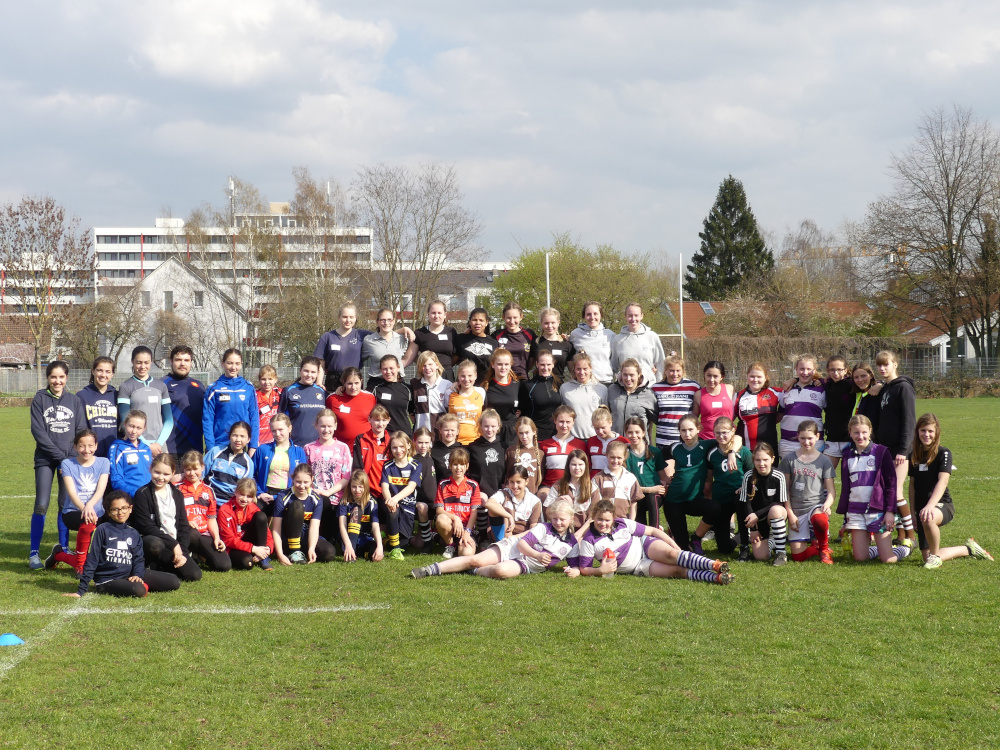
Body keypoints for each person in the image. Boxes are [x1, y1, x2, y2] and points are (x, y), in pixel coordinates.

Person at [571, 500, 733, 584]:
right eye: (599, 519)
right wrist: (601, 570)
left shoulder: (622, 523)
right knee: (677, 571)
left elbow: (653, 531)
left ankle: (715, 565)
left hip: (644, 546)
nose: (603, 523)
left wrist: (675, 546)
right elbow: (584, 568)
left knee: (672, 555)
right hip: (638, 566)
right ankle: (715, 578)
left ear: (613, 518)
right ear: (594, 518)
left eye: (606, 520)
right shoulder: (589, 539)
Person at [411, 497, 574, 580]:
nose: (558, 523)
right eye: (554, 519)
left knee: (500, 571)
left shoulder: (572, 542)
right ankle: (430, 569)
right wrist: (538, 555)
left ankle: (473, 572)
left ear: (571, 519)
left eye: (562, 519)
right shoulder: (543, 527)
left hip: (525, 564)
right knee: (473, 559)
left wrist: (574, 570)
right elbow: (523, 544)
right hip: (514, 547)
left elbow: (578, 564)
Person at [909, 413, 994, 569]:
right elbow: (912, 486)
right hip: (921, 510)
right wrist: (912, 512)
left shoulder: (944, 453)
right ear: (917, 432)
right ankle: (968, 549)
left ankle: (935, 557)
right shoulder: (914, 456)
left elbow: (943, 481)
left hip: (941, 504)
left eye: (930, 431)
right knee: (925, 557)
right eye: (923, 430)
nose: (926, 434)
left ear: (936, 433)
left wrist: (930, 505)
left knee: (929, 518)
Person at [64, 491, 181, 598]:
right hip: (107, 579)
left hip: (128, 573)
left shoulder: (133, 533)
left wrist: (137, 575)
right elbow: (92, 559)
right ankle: (114, 586)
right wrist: (81, 590)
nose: (120, 512)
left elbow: (138, 559)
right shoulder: (102, 529)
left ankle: (130, 583)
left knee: (174, 581)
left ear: (130, 509)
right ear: (108, 512)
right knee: (139, 590)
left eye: (124, 508)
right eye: (115, 509)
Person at [29, 360, 87, 569]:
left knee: (65, 505)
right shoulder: (39, 399)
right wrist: (60, 457)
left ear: (66, 378)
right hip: (45, 459)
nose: (57, 381)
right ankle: (33, 553)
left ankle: (63, 548)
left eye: (61, 377)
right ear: (48, 378)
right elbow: (39, 433)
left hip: (69, 460)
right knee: (41, 504)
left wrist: (70, 457)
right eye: (53, 377)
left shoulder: (74, 400)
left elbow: (80, 430)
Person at [838, 414, 912, 565]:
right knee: (860, 558)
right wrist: (846, 518)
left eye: (864, 432)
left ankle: (905, 547)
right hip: (856, 512)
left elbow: (891, 484)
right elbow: (846, 488)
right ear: (850, 432)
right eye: (856, 432)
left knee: (888, 560)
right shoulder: (847, 456)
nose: (860, 436)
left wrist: (890, 511)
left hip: (877, 511)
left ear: (870, 431)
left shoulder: (881, 452)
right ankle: (878, 548)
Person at [44, 430, 110, 575]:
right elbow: (72, 492)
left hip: (97, 511)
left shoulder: (104, 462)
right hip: (72, 512)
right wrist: (84, 508)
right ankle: (80, 566)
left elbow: (100, 490)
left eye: (90, 446)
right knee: (87, 524)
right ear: (75, 447)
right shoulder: (67, 464)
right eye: (82, 446)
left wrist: (89, 506)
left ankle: (59, 555)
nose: (86, 450)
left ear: (96, 446)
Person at [129, 454, 203, 581]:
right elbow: (146, 526)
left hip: (174, 545)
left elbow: (183, 524)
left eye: (166, 474)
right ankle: (148, 564)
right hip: (156, 543)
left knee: (194, 575)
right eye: (157, 472)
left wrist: (183, 552)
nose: (161, 478)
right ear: (150, 469)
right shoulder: (142, 494)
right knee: (154, 544)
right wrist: (174, 544)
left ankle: (160, 566)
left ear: (173, 473)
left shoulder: (177, 494)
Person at [663, 414, 726, 555]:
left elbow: (734, 439)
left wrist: (733, 453)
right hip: (673, 502)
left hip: (693, 501)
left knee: (715, 507)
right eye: (683, 430)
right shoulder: (675, 448)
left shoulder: (707, 445)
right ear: (679, 431)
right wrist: (663, 478)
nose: (687, 434)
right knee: (683, 550)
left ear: (698, 429)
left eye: (691, 429)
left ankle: (696, 538)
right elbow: (655, 457)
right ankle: (682, 542)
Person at [874, 350, 917, 547]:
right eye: (879, 365)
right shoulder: (885, 388)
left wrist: (903, 449)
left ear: (895, 365)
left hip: (899, 451)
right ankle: (900, 536)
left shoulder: (903, 388)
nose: (882, 369)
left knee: (897, 493)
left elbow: (909, 421)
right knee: (889, 493)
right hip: (884, 449)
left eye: (886, 365)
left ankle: (911, 536)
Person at [778, 421, 835, 565]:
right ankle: (815, 547)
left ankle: (824, 549)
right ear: (797, 437)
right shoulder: (789, 459)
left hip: (815, 507)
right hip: (797, 511)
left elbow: (831, 490)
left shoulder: (824, 461)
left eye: (810, 438)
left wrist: (827, 504)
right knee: (798, 557)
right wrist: (790, 514)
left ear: (817, 436)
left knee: (820, 519)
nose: (806, 442)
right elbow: (784, 490)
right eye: (803, 438)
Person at [304, 409, 353, 549]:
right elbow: (304, 475)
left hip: (338, 499)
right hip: (315, 498)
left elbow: (346, 477)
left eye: (329, 426)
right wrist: (316, 492)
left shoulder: (343, 448)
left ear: (335, 426)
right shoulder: (309, 448)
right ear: (316, 426)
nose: (326, 430)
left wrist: (329, 492)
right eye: (323, 426)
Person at [271, 464, 337, 565]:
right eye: (298, 482)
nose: (302, 486)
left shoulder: (317, 499)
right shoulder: (283, 497)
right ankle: (294, 552)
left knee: (329, 553)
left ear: (312, 479)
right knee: (297, 506)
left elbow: (314, 527)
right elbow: (276, 529)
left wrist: (311, 548)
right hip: (288, 539)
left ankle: (303, 552)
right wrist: (279, 554)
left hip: (305, 536)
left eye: (306, 482)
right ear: (292, 479)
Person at [176, 451, 231, 572]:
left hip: (204, 534)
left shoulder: (209, 491)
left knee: (224, 565)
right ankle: (192, 554)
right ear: (183, 469)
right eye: (188, 469)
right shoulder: (177, 489)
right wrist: (186, 521)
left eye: (195, 468)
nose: (192, 473)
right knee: (193, 534)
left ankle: (199, 555)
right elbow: (171, 516)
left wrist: (216, 537)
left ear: (202, 467)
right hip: (187, 534)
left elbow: (211, 519)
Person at [704, 417, 751, 558]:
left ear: (733, 431)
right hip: (721, 498)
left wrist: (745, 488)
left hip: (738, 495)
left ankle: (745, 545)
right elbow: (709, 477)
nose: (721, 436)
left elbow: (752, 474)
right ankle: (738, 539)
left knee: (740, 500)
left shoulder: (743, 451)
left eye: (725, 432)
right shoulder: (712, 453)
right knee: (724, 549)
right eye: (717, 433)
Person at [739, 443, 790, 566]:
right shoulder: (748, 476)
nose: (761, 464)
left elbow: (780, 501)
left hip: (772, 515)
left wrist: (757, 514)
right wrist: (753, 529)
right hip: (756, 520)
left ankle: (781, 553)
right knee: (761, 556)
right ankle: (772, 541)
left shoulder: (779, 476)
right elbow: (746, 503)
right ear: (753, 460)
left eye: (765, 460)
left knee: (776, 510)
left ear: (772, 459)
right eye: (758, 460)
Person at [202, 348, 260, 455]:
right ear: (223, 364)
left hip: (242, 446)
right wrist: (210, 447)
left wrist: (253, 445)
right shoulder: (214, 389)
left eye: (237, 364)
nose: (233, 367)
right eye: (229, 363)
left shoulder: (248, 387)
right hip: (219, 445)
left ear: (241, 364)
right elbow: (207, 420)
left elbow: (254, 417)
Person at [117, 345, 172, 456]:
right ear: (132, 362)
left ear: (151, 362)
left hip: (159, 448)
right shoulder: (125, 386)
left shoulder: (161, 386)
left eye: (146, 362)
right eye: (139, 362)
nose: (142, 366)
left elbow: (169, 421)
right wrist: (147, 445)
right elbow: (125, 422)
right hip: (137, 445)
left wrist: (158, 444)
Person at [253, 413, 308, 516]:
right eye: (274, 430)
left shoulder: (299, 452)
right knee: (257, 516)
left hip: (288, 495)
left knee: (296, 511)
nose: (277, 434)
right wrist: (259, 493)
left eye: (281, 430)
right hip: (265, 494)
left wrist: (277, 497)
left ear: (289, 428)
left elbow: (304, 479)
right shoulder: (263, 449)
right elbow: (250, 474)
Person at [379, 431, 422, 560]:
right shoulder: (387, 466)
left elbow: (411, 487)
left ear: (409, 445)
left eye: (402, 446)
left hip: (407, 505)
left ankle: (387, 539)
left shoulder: (415, 465)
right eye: (394, 447)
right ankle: (395, 549)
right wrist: (389, 500)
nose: (398, 450)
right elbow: (384, 487)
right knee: (393, 510)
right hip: (390, 504)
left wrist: (395, 499)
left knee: (405, 543)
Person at [313, 301, 374, 392]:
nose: (348, 320)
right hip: (333, 381)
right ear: (339, 317)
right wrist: (319, 383)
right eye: (345, 317)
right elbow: (320, 365)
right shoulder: (327, 337)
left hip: (354, 381)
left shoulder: (361, 335)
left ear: (355, 318)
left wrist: (402, 330)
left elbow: (383, 335)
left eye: (351, 317)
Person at [217, 477, 275, 571]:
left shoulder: (253, 508)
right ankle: (256, 553)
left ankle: (263, 557)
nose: (244, 499)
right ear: (235, 492)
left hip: (249, 542)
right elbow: (228, 540)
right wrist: (253, 549)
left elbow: (267, 532)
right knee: (247, 563)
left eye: (249, 496)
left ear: (253, 497)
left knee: (261, 516)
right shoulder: (224, 510)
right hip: (232, 547)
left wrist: (268, 548)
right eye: (242, 494)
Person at [434, 447, 482, 559]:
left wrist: (467, 532)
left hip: (466, 528)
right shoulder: (443, 484)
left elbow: (474, 512)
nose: (458, 468)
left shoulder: (473, 485)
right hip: (450, 525)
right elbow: (439, 510)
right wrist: (455, 518)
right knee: (441, 518)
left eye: (462, 464)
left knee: (466, 554)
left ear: (467, 466)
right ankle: (450, 544)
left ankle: (462, 543)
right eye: (455, 464)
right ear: (450, 466)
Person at [624, 417, 668, 530]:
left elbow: (663, 477)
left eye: (637, 432)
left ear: (643, 433)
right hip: (637, 495)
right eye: (630, 432)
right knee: (638, 503)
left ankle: (655, 532)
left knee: (651, 498)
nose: (634, 435)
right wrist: (649, 489)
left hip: (655, 495)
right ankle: (642, 536)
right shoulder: (625, 454)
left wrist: (666, 486)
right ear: (626, 434)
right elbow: (628, 486)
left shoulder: (654, 452)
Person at [162, 345, 205, 458]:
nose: (182, 363)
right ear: (171, 361)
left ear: (191, 362)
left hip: (195, 451)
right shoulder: (161, 384)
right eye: (178, 360)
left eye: (186, 360)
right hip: (170, 450)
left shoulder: (199, 386)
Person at [778, 354, 826, 457]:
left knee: (812, 473)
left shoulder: (822, 390)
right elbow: (779, 414)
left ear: (814, 370)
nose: (805, 372)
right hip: (788, 443)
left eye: (809, 369)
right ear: (796, 369)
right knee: (787, 473)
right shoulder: (786, 390)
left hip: (813, 443)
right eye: (802, 369)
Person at [651, 355, 700, 451]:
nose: (675, 374)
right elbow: (653, 414)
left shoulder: (693, 386)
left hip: (686, 439)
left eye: (678, 370)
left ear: (683, 371)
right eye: (671, 370)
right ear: (665, 371)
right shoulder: (656, 388)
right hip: (663, 440)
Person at [538, 406, 586, 502]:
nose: (564, 425)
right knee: (543, 495)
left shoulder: (581, 444)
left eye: (568, 422)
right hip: (550, 486)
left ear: (573, 422)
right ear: (555, 421)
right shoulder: (545, 444)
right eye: (561, 421)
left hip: (573, 486)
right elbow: (540, 470)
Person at [482, 467, 542, 542]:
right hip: (503, 536)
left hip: (523, 539)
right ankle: (501, 543)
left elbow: (533, 529)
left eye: (518, 482)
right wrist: (508, 516)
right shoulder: (503, 493)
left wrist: (514, 538)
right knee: (496, 508)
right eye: (512, 482)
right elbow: (489, 504)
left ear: (526, 481)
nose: (515, 486)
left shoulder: (534, 501)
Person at [610, 303, 664, 386]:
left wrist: (659, 385)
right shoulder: (618, 340)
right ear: (625, 316)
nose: (633, 319)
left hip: (648, 388)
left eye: (636, 315)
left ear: (641, 316)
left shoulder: (652, 336)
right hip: (625, 389)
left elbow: (660, 364)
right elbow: (614, 366)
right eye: (630, 315)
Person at [279, 356, 328, 447]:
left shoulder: (322, 392)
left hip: (319, 446)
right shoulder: (289, 391)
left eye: (313, 372)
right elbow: (280, 419)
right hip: (295, 445)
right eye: (306, 371)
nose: (309, 375)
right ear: (300, 370)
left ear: (317, 374)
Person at [559, 352, 608, 440]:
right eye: (578, 369)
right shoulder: (565, 388)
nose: (582, 372)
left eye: (585, 369)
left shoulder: (601, 389)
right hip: (573, 438)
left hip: (596, 438)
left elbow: (606, 416)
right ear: (574, 369)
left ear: (590, 368)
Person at [203, 421, 255, 504]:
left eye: (242, 436)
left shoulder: (248, 464)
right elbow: (200, 473)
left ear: (248, 439)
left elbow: (245, 490)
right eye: (235, 435)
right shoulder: (215, 451)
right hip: (207, 499)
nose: (238, 440)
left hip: (229, 505)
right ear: (229, 436)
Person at [734, 362, 782, 452]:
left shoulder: (776, 393)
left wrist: (794, 380)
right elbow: (730, 420)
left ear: (765, 378)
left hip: (769, 448)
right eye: (752, 376)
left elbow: (793, 389)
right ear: (747, 377)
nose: (755, 379)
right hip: (745, 449)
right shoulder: (738, 396)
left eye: (759, 377)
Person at [76, 356, 118, 457]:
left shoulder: (117, 396)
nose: (103, 375)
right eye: (99, 370)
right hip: (89, 453)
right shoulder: (82, 396)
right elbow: (78, 427)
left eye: (108, 371)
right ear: (93, 371)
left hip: (113, 452)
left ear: (112, 374)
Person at [591, 441, 643, 520]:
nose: (615, 461)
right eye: (612, 457)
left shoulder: (630, 478)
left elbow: (633, 503)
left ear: (624, 457)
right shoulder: (598, 478)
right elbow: (594, 503)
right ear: (607, 455)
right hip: (603, 521)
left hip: (623, 520)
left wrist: (631, 523)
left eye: (619, 458)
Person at [339, 470, 384, 562]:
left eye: (360, 487)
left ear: (366, 487)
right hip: (348, 539)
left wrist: (380, 547)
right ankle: (351, 552)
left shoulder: (371, 502)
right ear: (350, 486)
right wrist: (348, 545)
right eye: (354, 487)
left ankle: (359, 553)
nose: (357, 490)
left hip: (365, 538)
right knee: (357, 511)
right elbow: (342, 526)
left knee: (374, 554)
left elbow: (375, 526)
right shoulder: (344, 501)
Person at [607, 358, 656, 440]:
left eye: (631, 375)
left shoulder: (648, 394)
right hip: (616, 443)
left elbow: (654, 420)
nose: (628, 379)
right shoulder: (612, 390)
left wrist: (649, 437)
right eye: (625, 375)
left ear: (639, 374)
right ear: (621, 374)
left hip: (638, 443)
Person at [568, 301, 616, 385]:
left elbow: (615, 360)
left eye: (595, 314)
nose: (592, 317)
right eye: (588, 314)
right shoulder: (575, 334)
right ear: (584, 316)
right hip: (584, 383)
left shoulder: (610, 335)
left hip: (605, 382)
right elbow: (569, 355)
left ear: (601, 315)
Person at [325, 367, 376, 446]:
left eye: (356, 383)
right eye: (349, 383)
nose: (353, 387)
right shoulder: (332, 399)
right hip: (341, 449)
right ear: (344, 382)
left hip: (365, 447)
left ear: (361, 382)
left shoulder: (370, 398)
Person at [405, 299, 458, 375]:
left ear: (445, 314)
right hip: (427, 375)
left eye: (439, 313)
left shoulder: (451, 332)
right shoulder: (419, 333)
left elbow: (457, 355)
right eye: (433, 313)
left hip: (447, 375)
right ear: (428, 314)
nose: (436, 316)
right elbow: (409, 357)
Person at [108, 410, 153, 498]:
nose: (134, 431)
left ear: (144, 428)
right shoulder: (117, 448)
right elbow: (116, 480)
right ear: (125, 424)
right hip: (132, 497)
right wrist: (137, 494)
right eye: (131, 426)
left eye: (138, 428)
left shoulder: (146, 448)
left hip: (150, 496)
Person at [519, 349, 562, 440]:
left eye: (548, 364)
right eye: (542, 364)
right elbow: (522, 412)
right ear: (537, 364)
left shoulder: (559, 383)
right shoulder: (528, 386)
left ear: (553, 364)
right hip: (536, 435)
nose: (545, 368)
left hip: (556, 434)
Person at [821, 355, 854, 471]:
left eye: (839, 369)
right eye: (832, 370)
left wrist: (880, 385)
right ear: (827, 371)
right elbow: (811, 377)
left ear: (845, 370)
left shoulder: (852, 385)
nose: (836, 373)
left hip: (850, 439)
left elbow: (870, 382)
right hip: (832, 439)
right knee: (826, 475)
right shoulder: (826, 385)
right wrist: (793, 379)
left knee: (849, 478)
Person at [362, 308, 415, 380]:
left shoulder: (403, 339)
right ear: (377, 322)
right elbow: (359, 360)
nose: (386, 323)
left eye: (389, 320)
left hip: (397, 382)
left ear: (394, 321)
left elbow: (410, 357)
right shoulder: (368, 340)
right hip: (377, 382)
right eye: (382, 320)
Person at [482, 348, 520, 445]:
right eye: (499, 364)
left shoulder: (518, 385)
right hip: (491, 431)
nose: (503, 367)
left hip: (512, 432)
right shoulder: (485, 386)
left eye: (506, 364)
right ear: (493, 364)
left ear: (511, 364)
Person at [367, 354, 413, 435]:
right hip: (382, 435)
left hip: (403, 434)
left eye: (391, 368)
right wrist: (342, 388)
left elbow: (413, 412)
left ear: (398, 367)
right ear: (380, 370)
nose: (388, 372)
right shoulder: (375, 388)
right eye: (385, 369)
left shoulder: (408, 389)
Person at [547, 449, 592, 528]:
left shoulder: (592, 488)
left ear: (586, 466)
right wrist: (557, 502)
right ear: (568, 466)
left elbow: (593, 518)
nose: (577, 468)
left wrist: (579, 535)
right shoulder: (558, 486)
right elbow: (547, 513)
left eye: (580, 464)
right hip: (561, 529)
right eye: (573, 464)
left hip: (584, 531)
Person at [410, 426, 439, 551]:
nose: (423, 446)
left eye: (426, 443)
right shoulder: (412, 460)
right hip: (420, 503)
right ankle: (426, 542)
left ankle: (432, 536)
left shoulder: (431, 458)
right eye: (420, 442)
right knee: (419, 544)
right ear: (414, 442)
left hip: (433, 501)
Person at [491, 302, 537, 379]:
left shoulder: (529, 334)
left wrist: (561, 337)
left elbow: (541, 346)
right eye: (508, 318)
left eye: (515, 317)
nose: (512, 321)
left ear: (521, 317)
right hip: (502, 379)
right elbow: (483, 340)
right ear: (503, 317)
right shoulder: (497, 335)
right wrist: (469, 333)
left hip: (522, 378)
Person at [353, 405, 392, 493]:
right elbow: (357, 466)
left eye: (384, 420)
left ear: (388, 420)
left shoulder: (392, 441)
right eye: (377, 420)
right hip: (367, 489)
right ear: (369, 419)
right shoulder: (361, 439)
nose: (380, 424)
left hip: (388, 490)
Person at [468, 409, 506, 500]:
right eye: (486, 426)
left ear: (498, 426)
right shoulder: (472, 448)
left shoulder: (504, 447)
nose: (489, 429)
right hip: (479, 494)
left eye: (493, 426)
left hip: (500, 494)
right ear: (480, 426)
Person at [410, 351, 452, 432]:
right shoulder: (415, 384)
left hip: (440, 433)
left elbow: (450, 410)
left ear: (437, 365)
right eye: (424, 365)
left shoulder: (447, 384)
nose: (427, 368)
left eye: (430, 364)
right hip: (421, 433)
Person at [693, 361, 735, 440]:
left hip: (727, 438)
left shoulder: (730, 389)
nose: (711, 380)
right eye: (708, 375)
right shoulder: (698, 395)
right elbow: (694, 419)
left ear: (721, 377)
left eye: (715, 376)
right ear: (704, 375)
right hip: (706, 438)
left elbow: (736, 412)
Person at [584, 405, 629, 478]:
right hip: (594, 482)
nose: (600, 431)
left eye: (603, 427)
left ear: (610, 423)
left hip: (615, 481)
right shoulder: (590, 441)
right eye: (596, 428)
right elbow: (588, 466)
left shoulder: (623, 441)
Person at [453, 307, 497, 382]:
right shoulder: (460, 339)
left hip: (486, 386)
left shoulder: (494, 342)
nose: (478, 323)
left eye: (481, 320)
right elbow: (451, 362)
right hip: (465, 385)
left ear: (486, 322)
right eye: (474, 320)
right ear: (470, 321)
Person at [448, 359, 486, 445]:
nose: (466, 379)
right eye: (463, 376)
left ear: (475, 376)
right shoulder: (450, 394)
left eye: (470, 376)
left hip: (476, 441)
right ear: (458, 376)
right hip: (456, 442)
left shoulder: (481, 393)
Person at [506, 417, 544, 496]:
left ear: (534, 432)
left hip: (532, 495)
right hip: (513, 494)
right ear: (517, 433)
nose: (524, 436)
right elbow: (506, 475)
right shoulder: (511, 451)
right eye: (521, 433)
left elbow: (541, 477)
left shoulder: (540, 454)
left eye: (527, 432)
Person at [534, 307, 576, 379]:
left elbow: (573, 371)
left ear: (558, 323)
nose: (550, 326)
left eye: (553, 323)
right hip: (539, 384)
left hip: (559, 385)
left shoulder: (567, 345)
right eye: (546, 323)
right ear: (541, 323)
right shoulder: (536, 343)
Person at [431, 413, 462, 486]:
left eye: (452, 430)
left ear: (457, 431)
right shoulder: (433, 452)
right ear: (440, 430)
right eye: (446, 430)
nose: (449, 433)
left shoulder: (463, 450)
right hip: (440, 491)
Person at [255, 364, 283, 445]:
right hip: (260, 440)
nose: (267, 382)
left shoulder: (280, 393)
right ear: (259, 380)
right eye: (263, 379)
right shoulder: (255, 396)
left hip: (277, 439)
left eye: (270, 379)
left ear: (276, 379)